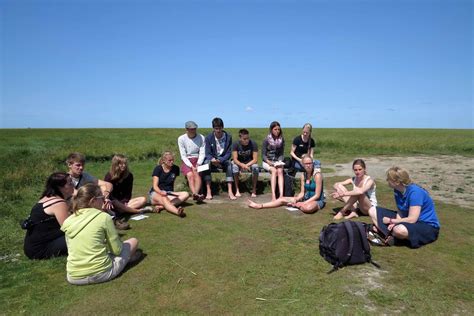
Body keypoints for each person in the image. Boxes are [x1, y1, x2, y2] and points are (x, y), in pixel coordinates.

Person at [62, 184, 141, 285]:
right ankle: (126, 260)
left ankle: (125, 260)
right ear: (93, 201)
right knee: (133, 241)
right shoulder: (104, 217)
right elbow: (117, 250)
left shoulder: (68, 221)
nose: (104, 200)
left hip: (73, 276)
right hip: (101, 273)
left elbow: (71, 248)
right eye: (102, 198)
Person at [368, 166, 440, 248]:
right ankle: (388, 235)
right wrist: (395, 221)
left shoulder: (415, 192)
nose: (387, 180)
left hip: (426, 226)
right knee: (372, 210)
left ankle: (390, 235)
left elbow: (412, 219)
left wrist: (392, 221)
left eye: (389, 179)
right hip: (407, 219)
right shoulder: (397, 190)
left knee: (399, 230)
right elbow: (400, 210)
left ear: (397, 182)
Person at [66, 152, 129, 230]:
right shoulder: (66, 179)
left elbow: (108, 184)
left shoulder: (84, 175)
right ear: (69, 165)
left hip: (87, 203)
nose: (81, 168)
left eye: (82, 165)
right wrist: (99, 197)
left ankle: (111, 218)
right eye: (78, 165)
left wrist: (106, 195)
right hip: (73, 206)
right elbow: (77, 194)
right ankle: (112, 219)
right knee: (96, 197)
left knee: (102, 189)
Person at [248, 155, 325, 214]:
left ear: (312, 163)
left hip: (316, 201)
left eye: (310, 163)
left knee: (308, 208)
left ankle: (298, 205)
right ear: (303, 165)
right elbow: (302, 192)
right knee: (281, 199)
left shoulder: (317, 175)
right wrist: (297, 199)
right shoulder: (303, 175)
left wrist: (303, 203)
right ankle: (260, 205)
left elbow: (317, 195)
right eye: (306, 164)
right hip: (305, 199)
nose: (308, 165)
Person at [23, 172, 73, 259]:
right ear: (61, 187)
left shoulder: (47, 198)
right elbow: (69, 228)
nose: (73, 185)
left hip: (32, 247)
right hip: (41, 249)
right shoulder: (58, 203)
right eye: (70, 183)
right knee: (82, 236)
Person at [149, 151, 189, 217]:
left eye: (173, 160)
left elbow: (172, 182)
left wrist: (170, 193)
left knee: (186, 194)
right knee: (165, 198)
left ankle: (162, 207)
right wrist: (161, 192)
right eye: (169, 160)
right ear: (164, 161)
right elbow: (155, 186)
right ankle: (177, 212)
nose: (172, 162)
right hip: (156, 193)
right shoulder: (158, 169)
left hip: (168, 192)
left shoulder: (176, 168)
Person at [203, 117, 233, 200]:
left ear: (222, 127)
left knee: (230, 165)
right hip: (212, 159)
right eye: (216, 128)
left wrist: (221, 160)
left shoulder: (228, 137)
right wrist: (212, 159)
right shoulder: (209, 137)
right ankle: (208, 190)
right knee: (205, 164)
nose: (218, 130)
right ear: (213, 128)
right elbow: (207, 152)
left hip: (223, 159)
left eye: (220, 128)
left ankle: (230, 190)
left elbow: (229, 152)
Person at [177, 121, 206, 202]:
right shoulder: (181, 139)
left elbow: (202, 152)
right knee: (190, 175)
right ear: (186, 129)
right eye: (191, 129)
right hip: (187, 160)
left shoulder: (201, 137)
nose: (193, 130)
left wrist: (198, 163)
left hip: (198, 159)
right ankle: (196, 194)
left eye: (194, 129)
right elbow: (183, 155)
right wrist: (191, 166)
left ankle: (195, 194)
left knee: (197, 174)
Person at [231, 129, 259, 198]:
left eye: (248, 138)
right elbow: (235, 159)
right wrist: (242, 165)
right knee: (234, 167)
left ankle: (254, 189)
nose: (247, 140)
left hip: (249, 162)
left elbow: (255, 159)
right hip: (239, 162)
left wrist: (246, 165)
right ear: (240, 138)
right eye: (244, 139)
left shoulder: (253, 144)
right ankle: (237, 189)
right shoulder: (235, 144)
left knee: (255, 167)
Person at [262, 121, 285, 201]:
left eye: (278, 129)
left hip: (276, 162)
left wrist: (279, 161)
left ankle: (281, 195)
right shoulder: (266, 140)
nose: (277, 131)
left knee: (280, 171)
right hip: (267, 161)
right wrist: (269, 162)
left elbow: (281, 154)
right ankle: (273, 195)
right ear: (271, 130)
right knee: (274, 171)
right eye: (275, 129)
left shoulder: (281, 140)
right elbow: (263, 155)